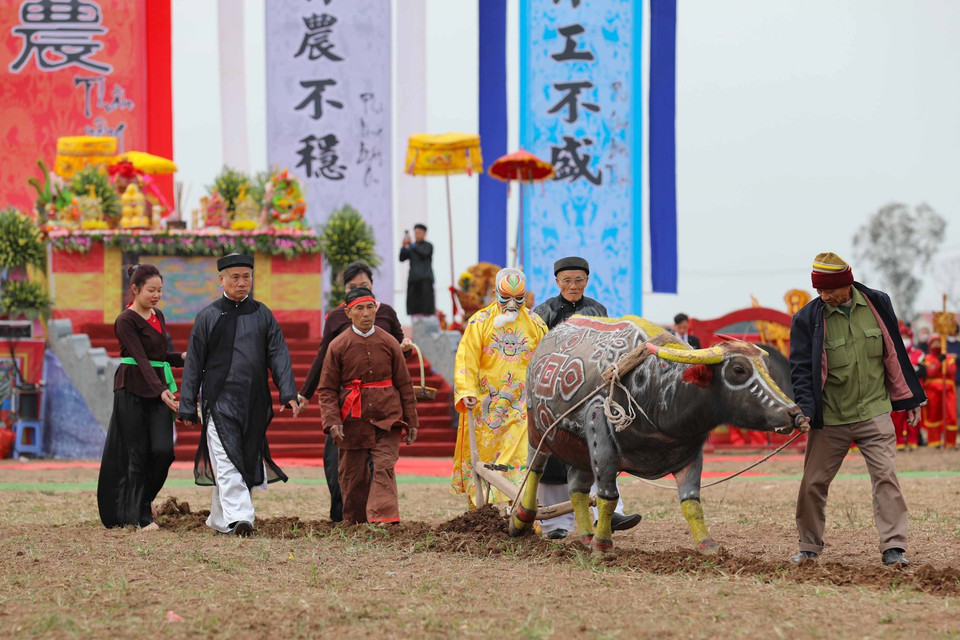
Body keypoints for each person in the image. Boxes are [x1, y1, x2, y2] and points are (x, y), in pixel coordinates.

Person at [790, 252, 925, 566]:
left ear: (846, 283)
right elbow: (800, 369)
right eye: (819, 291)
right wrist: (805, 409)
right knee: (813, 483)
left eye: (828, 290)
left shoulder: (878, 303)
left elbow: (894, 353)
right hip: (831, 418)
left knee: (886, 477)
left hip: (874, 412)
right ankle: (809, 547)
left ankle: (894, 549)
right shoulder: (807, 318)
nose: (823, 296)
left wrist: (909, 398)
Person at [178, 254, 301, 536]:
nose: (242, 282)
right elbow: (194, 362)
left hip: (253, 401)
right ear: (221, 279)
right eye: (235, 277)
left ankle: (221, 519)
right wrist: (187, 405)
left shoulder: (262, 315)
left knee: (242, 458)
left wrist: (288, 393)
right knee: (225, 459)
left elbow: (279, 354)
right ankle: (241, 518)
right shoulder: (207, 317)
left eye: (247, 276)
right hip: (218, 401)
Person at [531, 256, 642, 539]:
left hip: (590, 390)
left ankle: (608, 514)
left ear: (587, 281)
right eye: (567, 280)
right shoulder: (543, 312)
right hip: (555, 394)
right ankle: (555, 525)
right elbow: (536, 353)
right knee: (555, 457)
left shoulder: (598, 310)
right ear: (557, 282)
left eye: (579, 280)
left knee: (599, 450)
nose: (573, 285)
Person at [299, 261, 412, 521]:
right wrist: (306, 393)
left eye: (365, 286)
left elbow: (400, 352)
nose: (365, 312)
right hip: (347, 407)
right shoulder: (336, 319)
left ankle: (380, 517)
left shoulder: (386, 314)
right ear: (346, 300)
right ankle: (345, 517)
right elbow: (322, 359)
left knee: (381, 465)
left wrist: (404, 346)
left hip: (383, 403)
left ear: (372, 286)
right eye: (354, 288)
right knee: (342, 467)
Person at [98, 264, 184, 530]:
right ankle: (140, 517)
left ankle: (142, 502)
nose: (156, 295)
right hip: (131, 388)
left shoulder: (158, 315)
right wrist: (161, 389)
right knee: (137, 454)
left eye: (159, 290)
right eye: (151, 290)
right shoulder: (125, 320)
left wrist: (182, 358)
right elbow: (140, 360)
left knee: (163, 452)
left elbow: (159, 358)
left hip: (156, 389)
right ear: (134, 289)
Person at [451, 268, 548, 506]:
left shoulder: (536, 324)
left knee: (518, 458)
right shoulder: (480, 322)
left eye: (519, 298)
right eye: (506, 298)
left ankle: (519, 510)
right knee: (485, 459)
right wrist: (467, 391)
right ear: (495, 293)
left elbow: (545, 362)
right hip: (487, 405)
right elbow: (466, 359)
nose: (512, 305)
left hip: (522, 407)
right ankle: (486, 512)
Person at [893, 322, 926, 450]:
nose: (905, 339)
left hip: (915, 390)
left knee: (915, 416)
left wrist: (912, 369)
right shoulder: (894, 351)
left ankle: (913, 442)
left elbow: (924, 371)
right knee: (897, 417)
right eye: (903, 336)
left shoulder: (918, 353)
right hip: (899, 389)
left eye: (907, 337)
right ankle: (899, 443)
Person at [921, 334, 957, 448]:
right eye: (934, 342)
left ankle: (951, 442)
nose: (936, 344)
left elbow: (952, 370)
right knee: (933, 415)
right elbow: (930, 373)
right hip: (933, 391)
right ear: (930, 344)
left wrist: (945, 360)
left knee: (951, 415)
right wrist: (938, 362)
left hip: (948, 391)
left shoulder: (949, 357)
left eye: (938, 342)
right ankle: (934, 442)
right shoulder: (927, 358)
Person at [399, 223, 435, 316]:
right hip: (413, 280)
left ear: (424, 234)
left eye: (419, 233)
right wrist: (403, 247)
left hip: (425, 280)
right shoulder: (412, 247)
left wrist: (412, 246)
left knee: (426, 306)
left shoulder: (428, 246)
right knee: (414, 307)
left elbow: (423, 254)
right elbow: (402, 258)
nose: (417, 235)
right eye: (415, 233)